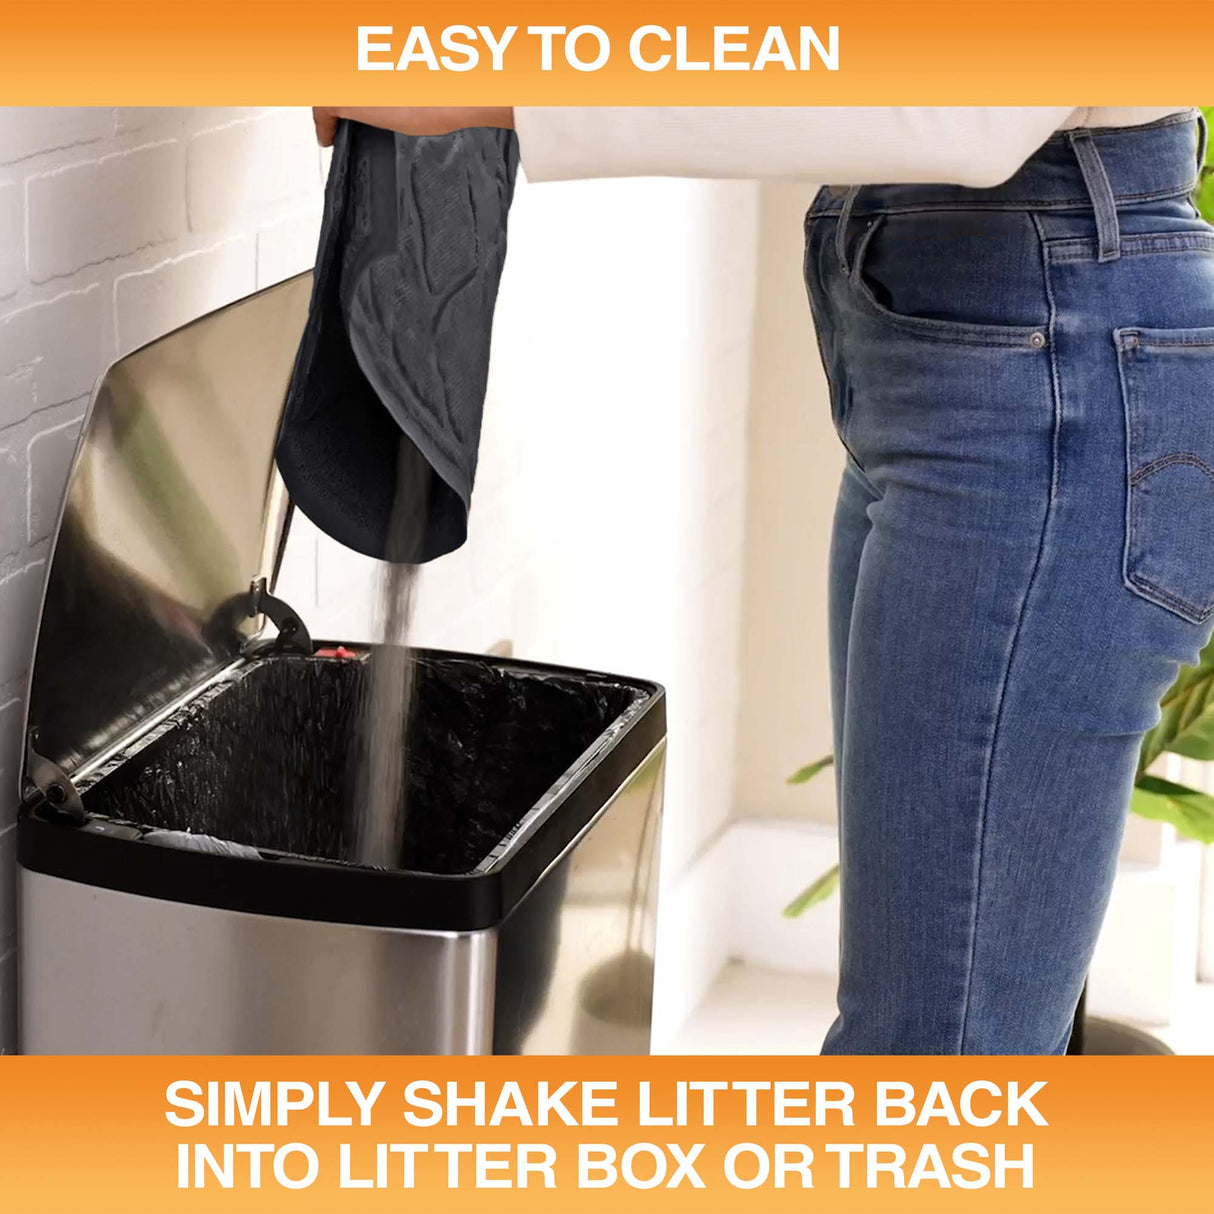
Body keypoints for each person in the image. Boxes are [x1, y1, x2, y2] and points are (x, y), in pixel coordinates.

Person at [313, 106, 1208, 1054]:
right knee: (936, 1030)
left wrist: (503, 78)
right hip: (962, 352)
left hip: (1047, 369)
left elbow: (974, 108)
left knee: (932, 1063)